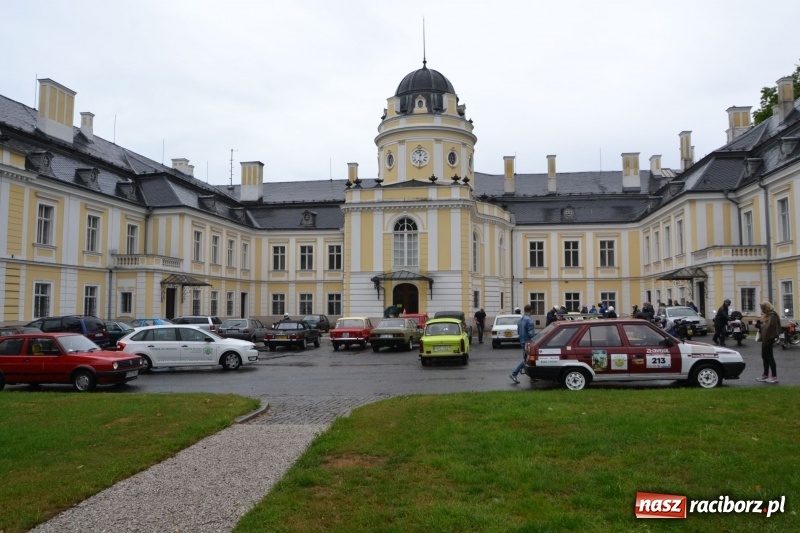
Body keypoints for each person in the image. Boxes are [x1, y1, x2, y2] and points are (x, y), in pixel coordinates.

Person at [756, 301, 781, 384]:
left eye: (762, 308)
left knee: (770, 357)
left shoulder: (772, 316)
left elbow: (767, 327)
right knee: (764, 357)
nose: (762, 310)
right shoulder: (769, 315)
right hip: (766, 339)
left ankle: (774, 376)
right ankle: (765, 374)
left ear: (766, 308)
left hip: (769, 338)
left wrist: (758, 325)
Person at [510, 304, 535, 384]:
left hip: (522, 341)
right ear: (531, 311)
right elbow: (531, 334)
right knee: (526, 360)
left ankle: (533, 377)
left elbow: (518, 332)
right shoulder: (529, 320)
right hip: (528, 342)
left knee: (528, 360)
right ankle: (514, 374)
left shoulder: (521, 320)